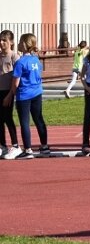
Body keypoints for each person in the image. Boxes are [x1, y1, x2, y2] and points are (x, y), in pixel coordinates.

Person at [2, 33, 49, 160]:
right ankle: (45, 146)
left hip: (24, 95)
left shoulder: (20, 62)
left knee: (25, 122)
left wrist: (10, 95)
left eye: (19, 41)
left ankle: (28, 149)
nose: (17, 44)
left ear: (23, 44)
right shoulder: (36, 60)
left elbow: (15, 83)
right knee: (39, 119)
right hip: (37, 93)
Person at [0, 30, 21, 159]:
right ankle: (2, 146)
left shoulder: (14, 57)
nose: (1, 43)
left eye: (4, 40)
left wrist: (10, 94)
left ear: (11, 42)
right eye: (0, 40)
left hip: (8, 92)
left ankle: (15, 145)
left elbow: (16, 78)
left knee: (7, 118)